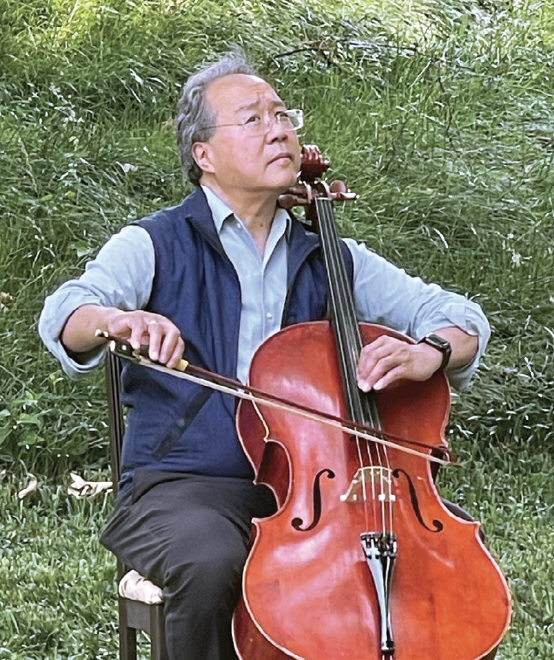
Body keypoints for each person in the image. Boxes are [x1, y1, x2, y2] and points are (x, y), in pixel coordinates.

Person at [39, 53, 490, 660]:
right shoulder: (154, 243)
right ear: (204, 153)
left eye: (282, 115)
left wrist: (431, 353)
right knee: (211, 561)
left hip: (322, 485)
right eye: (253, 119)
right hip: (184, 486)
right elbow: (67, 311)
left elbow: (462, 318)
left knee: (443, 568)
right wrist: (116, 320)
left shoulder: (333, 255)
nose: (279, 129)